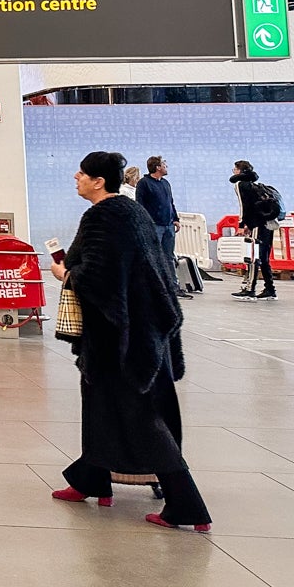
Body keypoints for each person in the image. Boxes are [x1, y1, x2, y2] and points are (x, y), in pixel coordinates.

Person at [49, 150, 211, 532]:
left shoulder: (104, 216)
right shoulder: (132, 212)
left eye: (82, 173)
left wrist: (65, 275)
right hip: (147, 330)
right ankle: (92, 478)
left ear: (98, 181)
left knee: (138, 414)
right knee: (104, 405)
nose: (76, 177)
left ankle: (187, 504)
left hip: (120, 337)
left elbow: (99, 277)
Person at [231, 160, 282, 301]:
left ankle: (249, 289)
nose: (233, 172)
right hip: (268, 223)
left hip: (257, 225)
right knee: (264, 257)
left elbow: (244, 206)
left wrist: (242, 225)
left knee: (253, 257)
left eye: (234, 169)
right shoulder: (254, 185)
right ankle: (270, 289)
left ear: (239, 171)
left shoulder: (240, 184)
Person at [136, 157, 184, 296]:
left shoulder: (166, 184)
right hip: (154, 226)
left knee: (169, 257)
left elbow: (170, 203)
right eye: (164, 164)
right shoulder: (144, 184)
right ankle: (153, 287)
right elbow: (140, 204)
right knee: (152, 256)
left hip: (168, 226)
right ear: (157, 167)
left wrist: (175, 219)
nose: (166, 166)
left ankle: (172, 287)